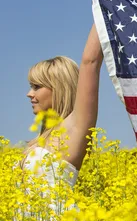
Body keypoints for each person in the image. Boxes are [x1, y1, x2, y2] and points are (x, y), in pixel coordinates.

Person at [22, 25, 103, 188]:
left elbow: (90, 61)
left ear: (59, 88)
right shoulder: (40, 139)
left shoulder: (73, 130)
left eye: (37, 87)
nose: (29, 93)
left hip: (58, 214)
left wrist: (104, 7)